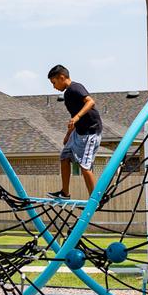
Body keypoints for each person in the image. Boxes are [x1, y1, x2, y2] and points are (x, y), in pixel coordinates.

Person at [46, 64, 103, 199]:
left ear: (62, 77)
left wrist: (77, 116)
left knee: (85, 166)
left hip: (91, 132)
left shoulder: (75, 87)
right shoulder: (67, 95)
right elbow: (74, 118)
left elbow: (90, 102)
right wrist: (68, 134)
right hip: (78, 132)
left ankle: (94, 199)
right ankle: (65, 193)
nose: (53, 87)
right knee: (64, 157)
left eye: (54, 83)